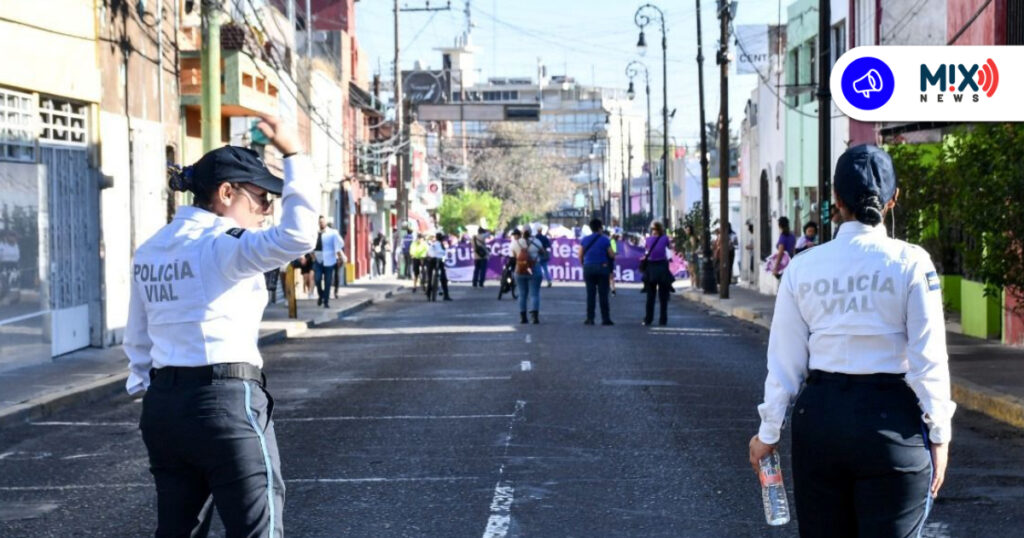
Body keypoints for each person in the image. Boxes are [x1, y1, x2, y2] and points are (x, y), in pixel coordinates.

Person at [749, 145, 954, 537]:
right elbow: (929, 361)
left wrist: (768, 434)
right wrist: (940, 436)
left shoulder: (803, 267)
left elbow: (784, 365)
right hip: (892, 424)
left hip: (820, 422)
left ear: (835, 200)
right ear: (894, 199)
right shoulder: (912, 263)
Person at [124, 117, 314, 537]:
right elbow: (300, 236)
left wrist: (148, 387)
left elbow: (138, 336)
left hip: (163, 409)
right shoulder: (223, 245)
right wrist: (295, 155)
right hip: (225, 401)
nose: (267, 212)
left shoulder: (152, 248)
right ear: (227, 193)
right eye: (262, 199)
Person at [579, 218, 616, 326]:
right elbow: (611, 254)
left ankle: (590, 318)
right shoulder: (605, 239)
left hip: (589, 268)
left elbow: (580, 254)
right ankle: (606, 319)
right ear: (600, 228)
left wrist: (584, 264)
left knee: (590, 294)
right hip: (602, 268)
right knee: (603, 294)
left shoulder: (585, 240)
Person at [642, 221, 673, 326]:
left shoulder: (648, 239)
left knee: (650, 297)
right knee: (663, 297)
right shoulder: (665, 239)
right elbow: (669, 248)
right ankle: (663, 320)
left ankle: (648, 319)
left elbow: (647, 250)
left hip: (651, 268)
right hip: (662, 267)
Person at [512, 227, 544, 324]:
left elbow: (514, 256)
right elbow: (542, 252)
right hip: (534, 269)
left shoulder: (516, 243)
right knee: (534, 294)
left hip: (520, 270)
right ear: (531, 232)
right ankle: (534, 317)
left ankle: (523, 317)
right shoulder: (537, 242)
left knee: (522, 294)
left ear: (521, 233)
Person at [312, 216, 343, 308]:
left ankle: (326, 301)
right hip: (318, 259)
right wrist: (313, 257)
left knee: (328, 281)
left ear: (325, 223)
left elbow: (337, 246)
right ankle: (321, 295)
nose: (321, 223)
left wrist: (339, 257)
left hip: (329, 259)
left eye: (323, 222)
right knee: (317, 279)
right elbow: (310, 246)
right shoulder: (315, 233)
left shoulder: (332, 233)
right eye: (320, 222)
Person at [425, 232, 452, 301]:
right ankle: (446, 295)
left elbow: (429, 252)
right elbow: (444, 254)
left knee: (430, 278)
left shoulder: (433, 244)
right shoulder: (440, 245)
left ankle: (428, 294)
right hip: (438, 261)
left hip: (431, 261)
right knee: (443, 278)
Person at [770, 216, 796, 280]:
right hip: (792, 261)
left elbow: (780, 253)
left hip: (784, 263)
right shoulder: (792, 235)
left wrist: (776, 267)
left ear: (779, 225)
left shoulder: (783, 237)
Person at [605, 229, 619, 296]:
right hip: (610, 260)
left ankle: (610, 290)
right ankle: (613, 290)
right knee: (610, 276)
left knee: (607, 276)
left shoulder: (608, 241)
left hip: (605, 260)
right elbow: (615, 253)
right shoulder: (613, 241)